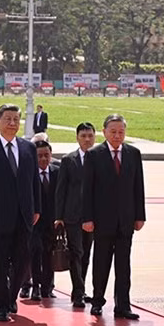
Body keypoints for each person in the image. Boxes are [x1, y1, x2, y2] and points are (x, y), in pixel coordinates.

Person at [0, 104, 41, 322]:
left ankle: (11, 298)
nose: (12, 123)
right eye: (8, 119)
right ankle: (1, 304)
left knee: (22, 261)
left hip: (24, 214)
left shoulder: (28, 148)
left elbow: (34, 182)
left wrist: (36, 207)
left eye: (16, 119)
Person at [82, 114, 145, 319]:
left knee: (123, 265)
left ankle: (123, 305)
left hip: (126, 220)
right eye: (113, 132)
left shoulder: (133, 153)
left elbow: (138, 187)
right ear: (104, 132)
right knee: (101, 262)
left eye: (121, 132)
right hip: (102, 220)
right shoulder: (94, 155)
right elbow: (87, 190)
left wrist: (139, 216)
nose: (117, 136)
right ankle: (97, 301)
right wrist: (87, 218)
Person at [55, 122, 96, 308]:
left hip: (94, 216)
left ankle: (82, 288)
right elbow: (61, 189)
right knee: (76, 253)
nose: (87, 139)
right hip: (73, 216)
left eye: (90, 136)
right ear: (77, 138)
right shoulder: (68, 160)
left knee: (86, 254)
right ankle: (77, 291)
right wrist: (59, 216)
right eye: (83, 136)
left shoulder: (100, 159)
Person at [29, 140, 59, 301]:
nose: (43, 159)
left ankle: (48, 286)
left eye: (46, 155)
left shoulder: (57, 171)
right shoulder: (29, 173)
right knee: (35, 252)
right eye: (39, 156)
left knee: (49, 254)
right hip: (34, 222)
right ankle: (35, 286)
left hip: (52, 221)